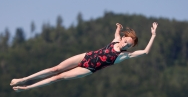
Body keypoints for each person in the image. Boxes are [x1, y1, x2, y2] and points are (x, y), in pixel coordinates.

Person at [10, 22, 158, 92]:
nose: (125, 45)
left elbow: (145, 52)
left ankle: (26, 87)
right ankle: (22, 79)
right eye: (126, 41)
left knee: (58, 77)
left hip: (89, 68)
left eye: (128, 45)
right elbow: (116, 35)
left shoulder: (124, 55)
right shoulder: (116, 40)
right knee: (55, 69)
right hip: (85, 57)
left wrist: (153, 35)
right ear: (124, 38)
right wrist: (118, 28)